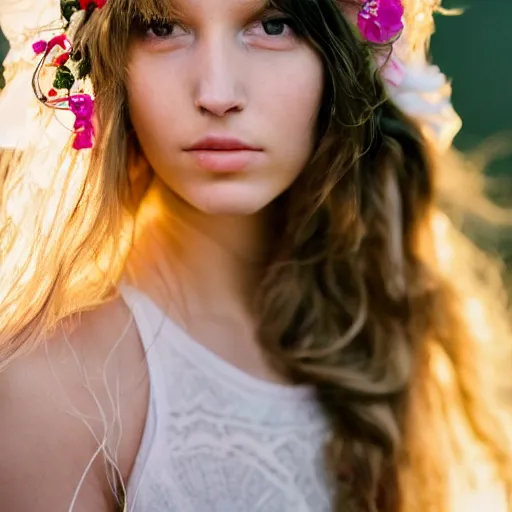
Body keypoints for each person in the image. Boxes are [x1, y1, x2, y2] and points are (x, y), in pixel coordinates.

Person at [0, 0, 511, 511]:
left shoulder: (390, 322)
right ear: (106, 59)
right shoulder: (53, 391)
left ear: (346, 56)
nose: (217, 94)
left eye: (273, 25)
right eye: (162, 27)